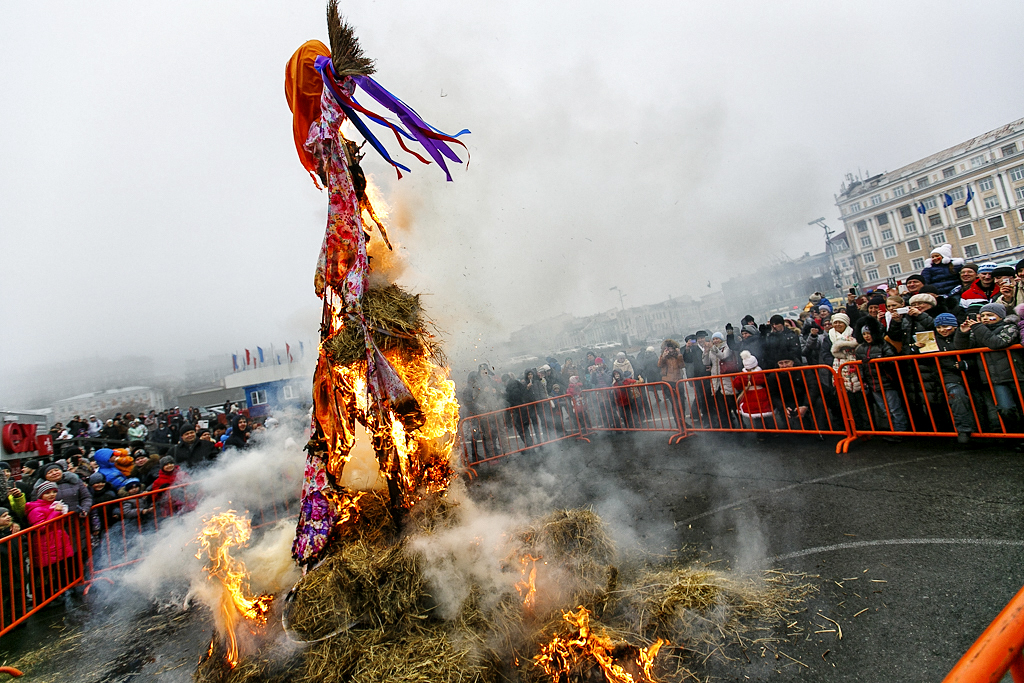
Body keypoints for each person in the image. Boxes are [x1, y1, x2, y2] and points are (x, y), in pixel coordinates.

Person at [955, 302, 1022, 432]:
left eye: (990, 315)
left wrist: (978, 327)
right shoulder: (979, 331)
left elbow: (996, 343)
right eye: (983, 315)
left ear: (1000, 316)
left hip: (1017, 375)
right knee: (1005, 408)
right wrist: (962, 333)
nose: (985, 318)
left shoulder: (1010, 328)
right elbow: (962, 347)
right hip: (996, 378)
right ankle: (1017, 436)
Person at [854, 317, 910, 437]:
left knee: (894, 408)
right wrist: (862, 380)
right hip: (873, 384)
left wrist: (877, 361)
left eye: (868, 333)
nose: (866, 336)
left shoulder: (884, 345)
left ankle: (901, 430)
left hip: (887, 382)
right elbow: (860, 368)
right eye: (864, 334)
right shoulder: (860, 349)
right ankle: (893, 429)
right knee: (884, 409)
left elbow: (891, 362)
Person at [26, 481, 76, 597]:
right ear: (41, 495)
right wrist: (56, 512)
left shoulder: (54, 505)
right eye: (47, 493)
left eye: (54, 492)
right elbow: (41, 528)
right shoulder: (36, 509)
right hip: (45, 543)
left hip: (58, 540)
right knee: (46, 573)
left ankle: (58, 593)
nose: (52, 495)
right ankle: (45, 598)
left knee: (58, 569)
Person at [732, 351, 773, 437]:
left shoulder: (742, 375)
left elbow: (737, 385)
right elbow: (765, 382)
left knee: (756, 417)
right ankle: (773, 431)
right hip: (761, 393)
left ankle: (761, 435)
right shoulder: (760, 373)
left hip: (749, 395)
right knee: (766, 414)